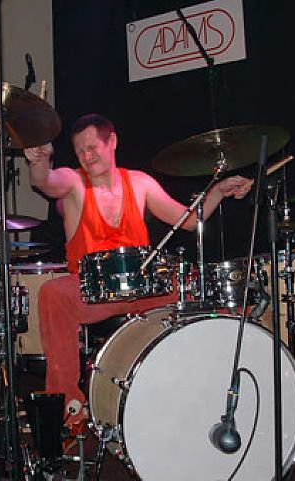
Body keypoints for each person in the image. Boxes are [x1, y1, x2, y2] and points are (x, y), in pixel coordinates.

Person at [24, 114, 253, 432]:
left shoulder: (140, 182)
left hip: (145, 284)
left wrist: (218, 190)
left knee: (211, 287)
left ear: (112, 142)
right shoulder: (74, 182)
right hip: (93, 288)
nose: (87, 157)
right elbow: (46, 182)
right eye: (80, 152)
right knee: (53, 293)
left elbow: (189, 221)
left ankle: (235, 377)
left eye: (92, 148)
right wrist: (40, 160)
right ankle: (69, 407)